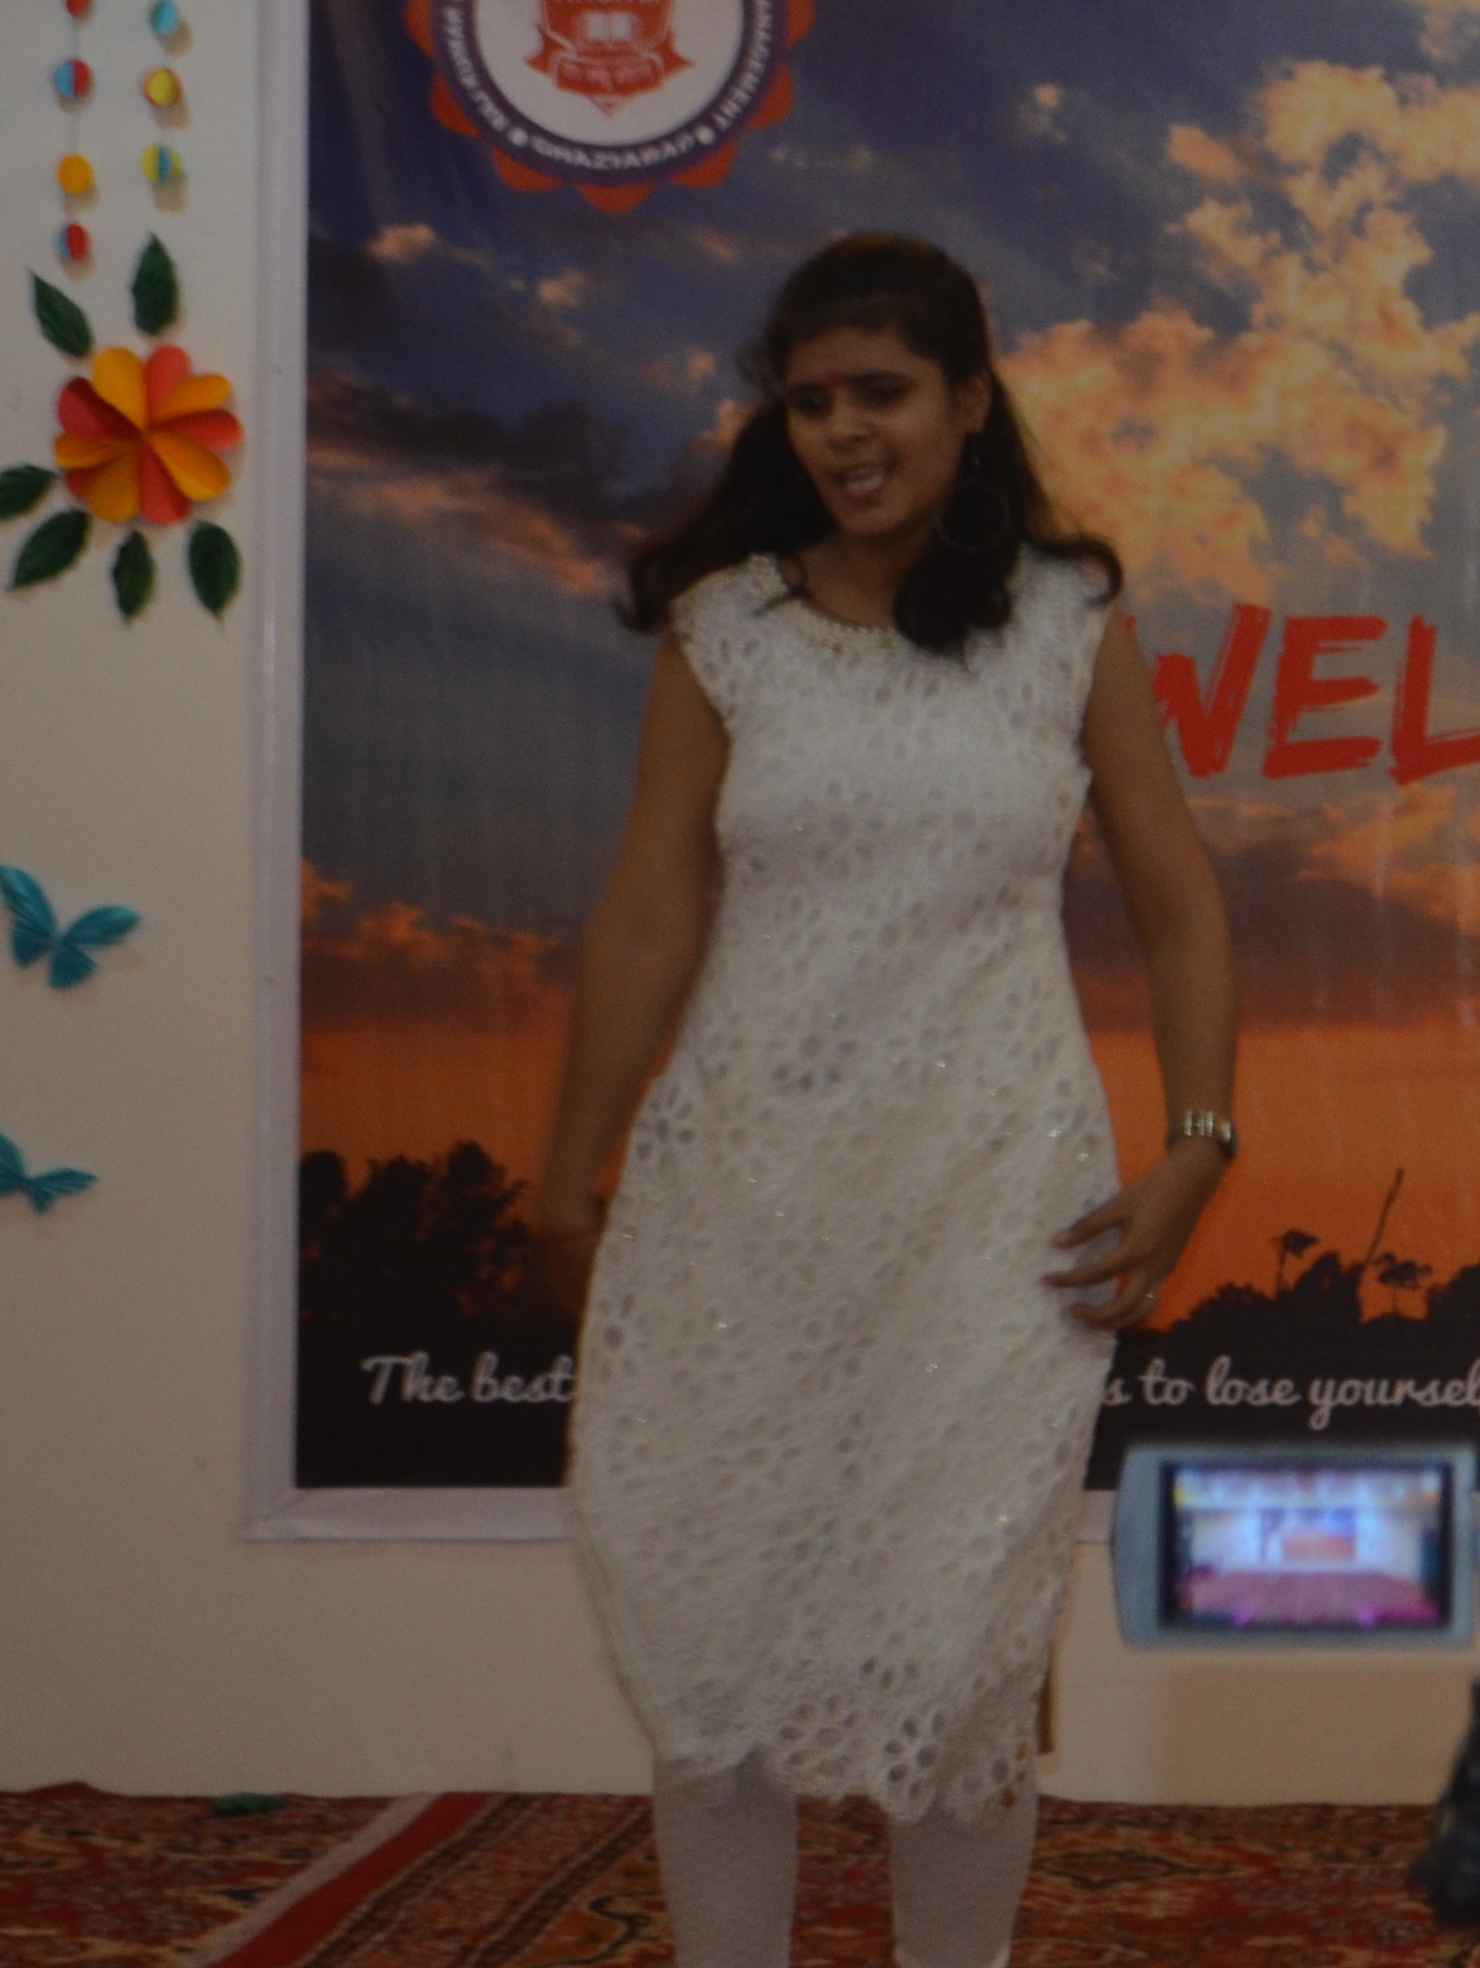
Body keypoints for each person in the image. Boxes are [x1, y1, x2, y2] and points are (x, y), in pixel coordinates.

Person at [527, 233, 1238, 1968]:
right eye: (812, 398)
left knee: (964, 1648)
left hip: (998, 1205)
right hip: (742, 1198)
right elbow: (650, 909)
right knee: (715, 1633)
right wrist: (567, 1171)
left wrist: (1199, 1142)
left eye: (884, 391)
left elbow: (1179, 904)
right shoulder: (728, 627)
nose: (846, 429)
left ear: (971, 401)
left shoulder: (1067, 618)